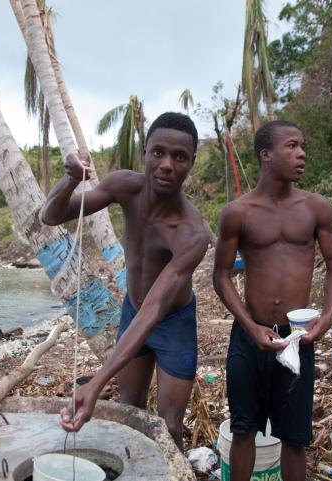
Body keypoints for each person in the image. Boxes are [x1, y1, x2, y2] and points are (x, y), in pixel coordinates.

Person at [41, 112, 209, 450]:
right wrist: (70, 179)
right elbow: (51, 215)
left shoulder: (192, 233)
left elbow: (157, 307)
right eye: (158, 152)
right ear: (144, 151)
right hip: (134, 310)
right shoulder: (124, 186)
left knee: (170, 426)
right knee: (130, 411)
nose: (166, 165)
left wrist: (96, 383)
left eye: (179, 157)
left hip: (171, 322)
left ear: (191, 163)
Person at [213, 120, 332, 481]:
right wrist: (249, 325)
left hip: (297, 336)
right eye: (292, 146)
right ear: (266, 155)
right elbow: (221, 277)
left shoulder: (316, 207)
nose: (301, 153)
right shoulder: (238, 212)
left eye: (302, 146)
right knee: (243, 429)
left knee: (294, 436)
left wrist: (328, 315)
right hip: (249, 336)